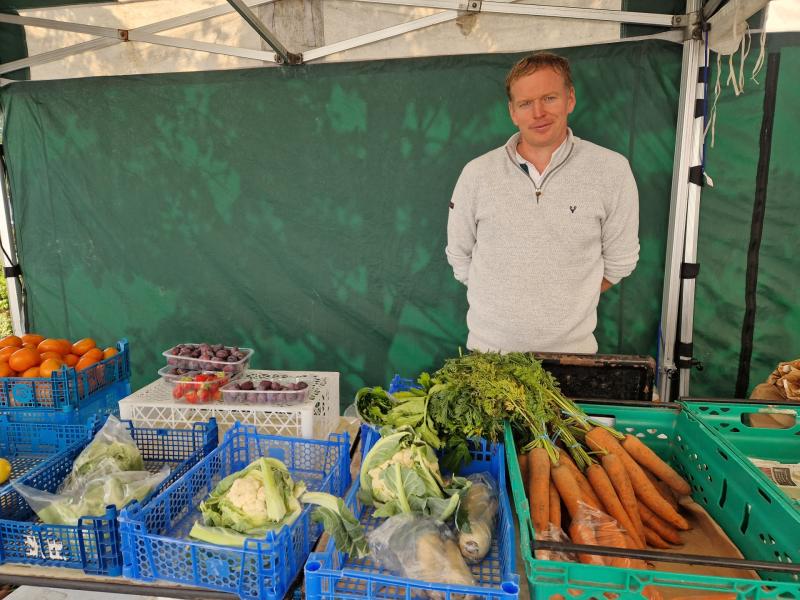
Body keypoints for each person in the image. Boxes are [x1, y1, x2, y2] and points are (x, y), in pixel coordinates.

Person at [446, 52, 640, 354]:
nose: (538, 113)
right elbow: (460, 258)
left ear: (570, 99)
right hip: (488, 358)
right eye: (525, 103)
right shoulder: (477, 174)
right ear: (513, 112)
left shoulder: (612, 170)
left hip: (572, 359)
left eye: (549, 98)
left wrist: (565, 301)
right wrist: (503, 299)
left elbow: (620, 262)